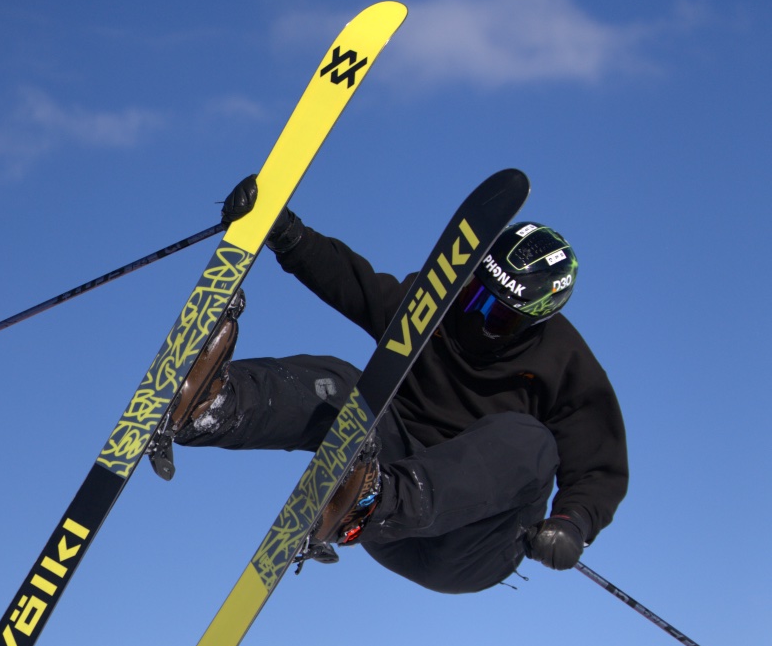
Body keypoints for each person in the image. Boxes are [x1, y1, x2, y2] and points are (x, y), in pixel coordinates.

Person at [167, 178, 628, 591]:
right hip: (389, 506)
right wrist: (286, 233)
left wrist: (573, 523)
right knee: (346, 384)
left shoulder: (565, 361)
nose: (478, 318)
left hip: (471, 545)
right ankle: (214, 406)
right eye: (475, 295)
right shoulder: (436, 308)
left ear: (535, 321)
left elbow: (598, 466)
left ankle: (370, 502)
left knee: (530, 440)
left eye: (500, 316)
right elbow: (356, 285)